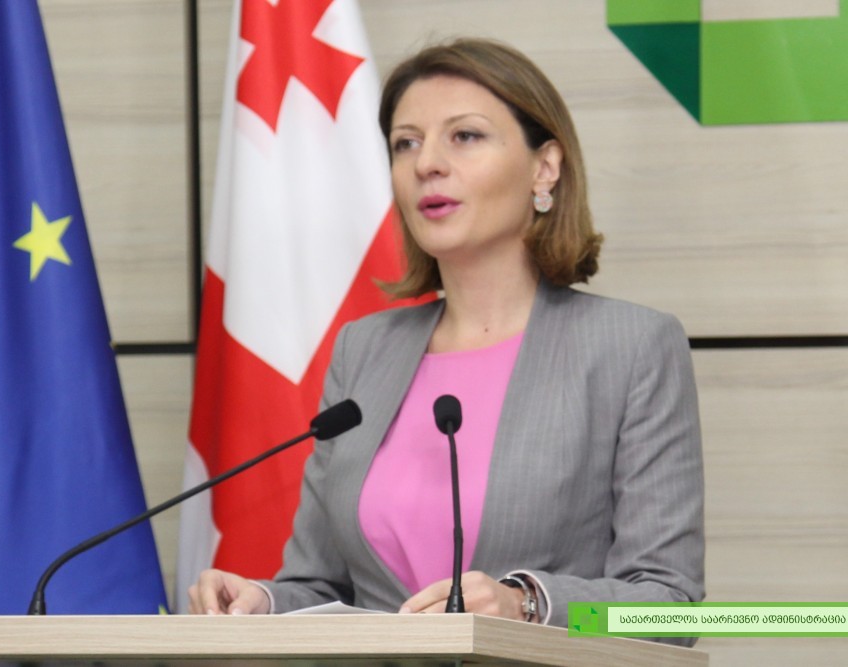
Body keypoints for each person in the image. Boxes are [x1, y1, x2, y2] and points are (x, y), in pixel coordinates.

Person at [189, 37, 705, 647]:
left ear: (545, 167)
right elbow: (323, 587)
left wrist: (527, 605)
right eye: (405, 143)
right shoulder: (364, 350)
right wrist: (264, 602)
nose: (426, 163)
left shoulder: (631, 347)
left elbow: (674, 611)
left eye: (464, 136)